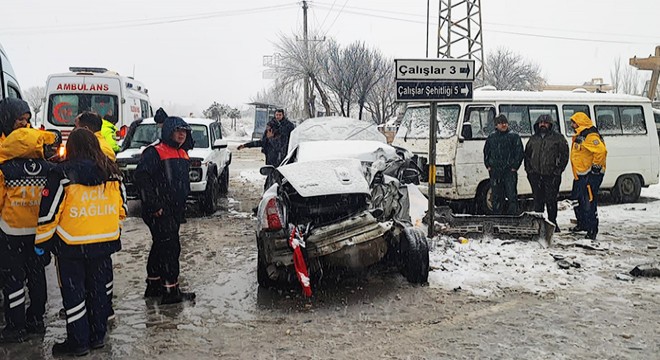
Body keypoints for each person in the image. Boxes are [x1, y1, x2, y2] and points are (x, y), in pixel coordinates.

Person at [35, 128, 125, 356]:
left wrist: (42, 244)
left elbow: (49, 213)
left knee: (74, 296)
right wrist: (111, 230)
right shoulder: (112, 172)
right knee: (98, 292)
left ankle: (78, 342)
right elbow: (121, 209)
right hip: (104, 243)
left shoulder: (61, 173)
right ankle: (97, 336)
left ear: (72, 147)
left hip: (71, 244)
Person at [0, 126, 55, 343]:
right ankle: (37, 319)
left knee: (13, 279)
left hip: (11, 232)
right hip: (39, 232)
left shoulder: (5, 170)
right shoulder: (49, 169)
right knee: (37, 275)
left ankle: (15, 325)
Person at [133, 116, 196, 304]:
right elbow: (141, 178)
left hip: (174, 210)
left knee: (160, 246)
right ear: (169, 131)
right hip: (160, 210)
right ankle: (171, 291)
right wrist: (153, 205)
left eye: (184, 131)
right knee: (170, 248)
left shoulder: (182, 153)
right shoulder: (155, 152)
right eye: (178, 131)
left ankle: (154, 286)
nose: (181, 134)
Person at [524, 114, 569, 232]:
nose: (542, 125)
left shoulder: (558, 138)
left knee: (551, 200)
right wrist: (529, 171)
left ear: (550, 124)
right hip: (536, 175)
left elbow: (564, 155)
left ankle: (552, 223)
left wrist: (557, 171)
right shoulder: (533, 139)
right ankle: (539, 224)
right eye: (540, 123)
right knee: (538, 200)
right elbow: (527, 156)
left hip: (551, 176)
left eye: (545, 123)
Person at [569, 112, 607, 240]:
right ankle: (582, 224)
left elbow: (601, 151)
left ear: (580, 122)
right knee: (577, 200)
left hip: (589, 176)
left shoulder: (590, 136)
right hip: (580, 175)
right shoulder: (581, 135)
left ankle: (592, 229)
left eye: (574, 122)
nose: (572, 125)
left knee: (589, 202)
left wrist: (595, 169)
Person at [483, 114, 524, 215]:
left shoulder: (514, 136)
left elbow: (519, 153)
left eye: (505, 122)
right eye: (501, 123)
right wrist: (488, 165)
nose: (504, 125)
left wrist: (515, 167)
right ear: (496, 125)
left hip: (509, 171)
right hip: (495, 172)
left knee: (511, 196)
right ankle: (498, 217)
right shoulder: (491, 137)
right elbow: (486, 152)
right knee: (496, 196)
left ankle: (512, 217)